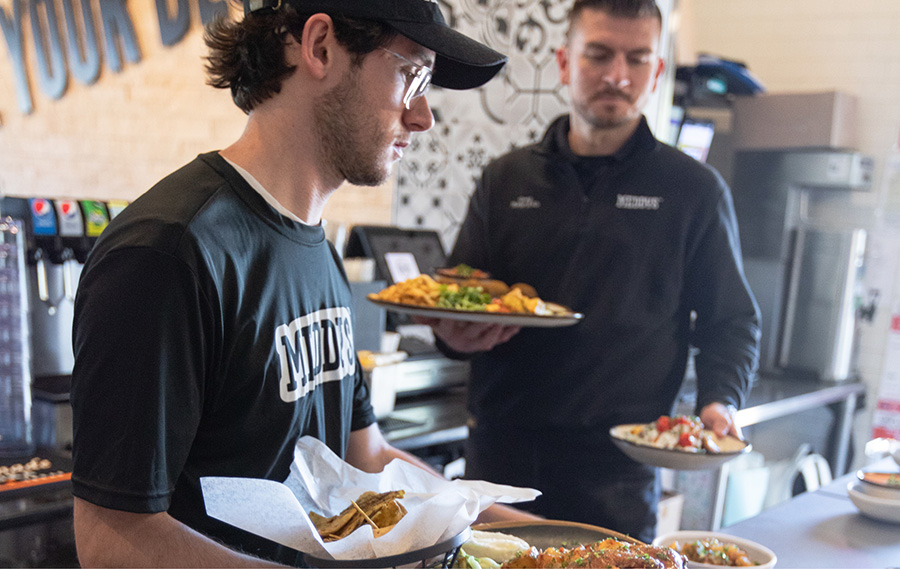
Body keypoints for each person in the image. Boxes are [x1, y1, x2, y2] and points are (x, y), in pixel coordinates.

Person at [69, 1, 537, 566]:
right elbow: (109, 538)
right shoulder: (169, 251)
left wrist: (555, 537)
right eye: (411, 74)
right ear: (319, 47)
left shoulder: (316, 248)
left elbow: (366, 455)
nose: (423, 117)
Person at [422, 0, 761, 543]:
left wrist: (720, 401)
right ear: (564, 62)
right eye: (598, 55)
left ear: (656, 71)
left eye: (636, 59)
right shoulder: (504, 180)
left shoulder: (692, 190)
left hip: (616, 474)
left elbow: (732, 321)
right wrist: (455, 338)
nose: (616, 75)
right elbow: (454, 300)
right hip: (499, 459)